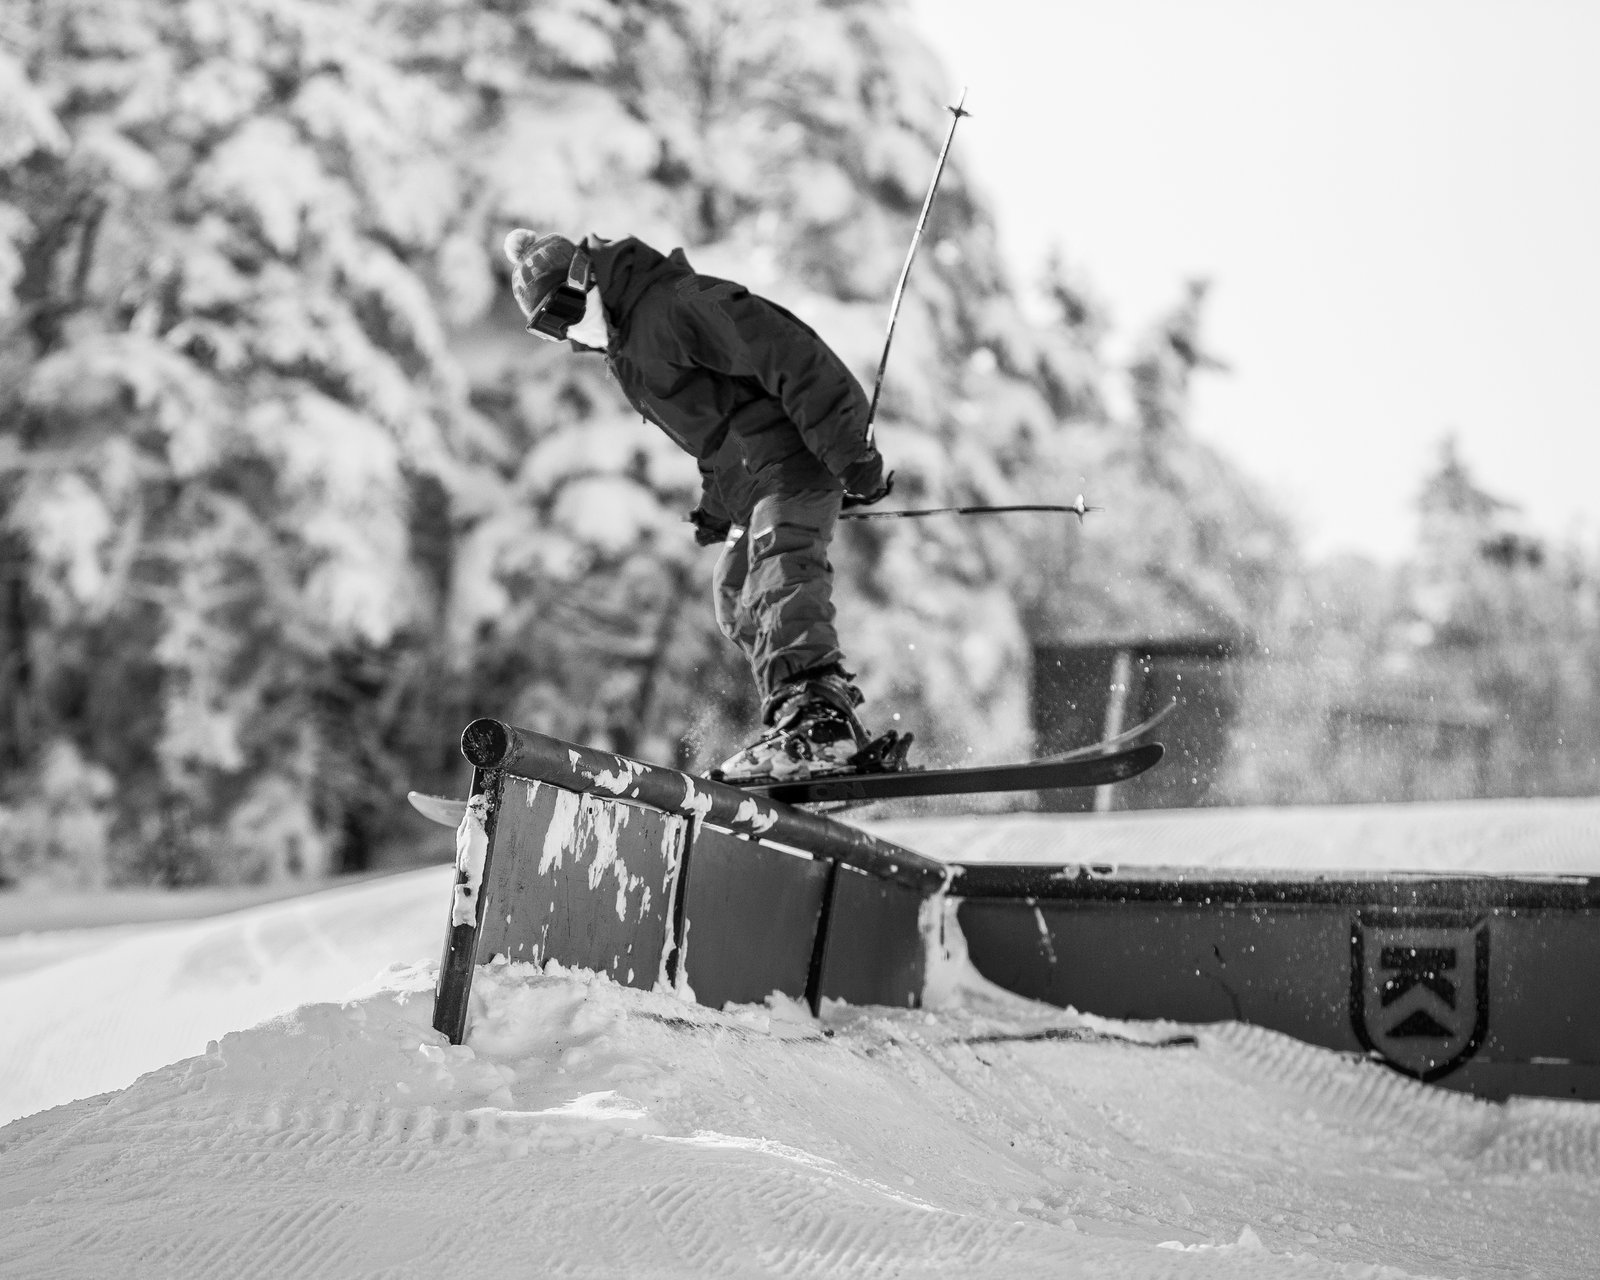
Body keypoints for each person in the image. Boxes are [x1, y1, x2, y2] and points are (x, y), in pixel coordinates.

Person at [502, 228, 895, 781]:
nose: (567, 330)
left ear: (586, 278)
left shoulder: (673, 305)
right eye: (548, 327)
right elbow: (720, 429)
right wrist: (717, 502)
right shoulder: (628, 349)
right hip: (754, 478)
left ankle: (820, 724)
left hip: (796, 456)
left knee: (779, 566)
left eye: (565, 308)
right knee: (734, 594)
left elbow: (789, 350)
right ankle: (797, 719)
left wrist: (849, 452)